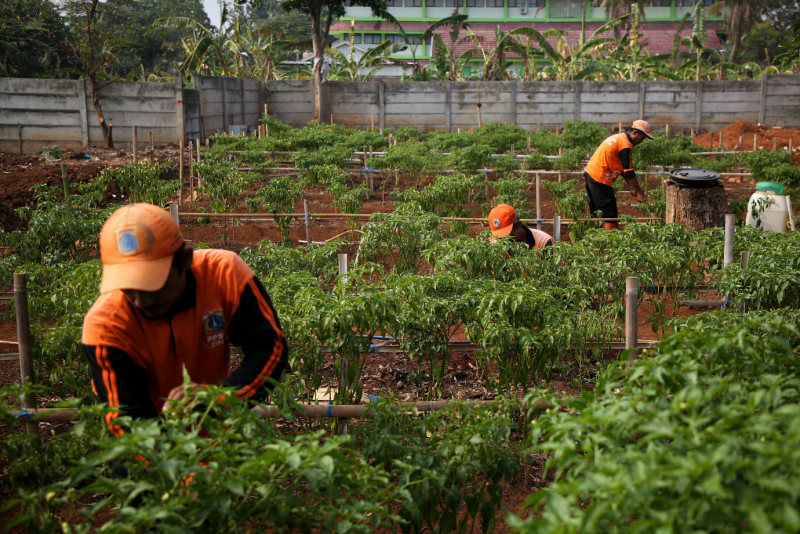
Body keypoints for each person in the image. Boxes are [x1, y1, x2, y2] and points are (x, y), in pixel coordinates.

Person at [82, 203, 289, 436]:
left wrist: (221, 398)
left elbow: (269, 347)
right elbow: (127, 422)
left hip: (218, 440)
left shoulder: (224, 274)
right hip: (152, 449)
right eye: (128, 288)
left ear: (185, 260)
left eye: (151, 284)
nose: (141, 300)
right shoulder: (106, 325)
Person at [584, 120, 653, 230]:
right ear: (635, 133)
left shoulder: (619, 138)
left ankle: (595, 236)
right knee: (610, 213)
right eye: (642, 138)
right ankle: (611, 237)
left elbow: (623, 169)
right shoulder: (626, 144)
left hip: (591, 173)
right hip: (599, 177)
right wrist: (640, 192)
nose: (641, 141)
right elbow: (629, 172)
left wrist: (631, 186)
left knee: (597, 210)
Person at [488, 204, 554, 249]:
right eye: (500, 236)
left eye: (507, 234)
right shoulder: (496, 246)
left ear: (518, 224)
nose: (504, 240)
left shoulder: (544, 242)